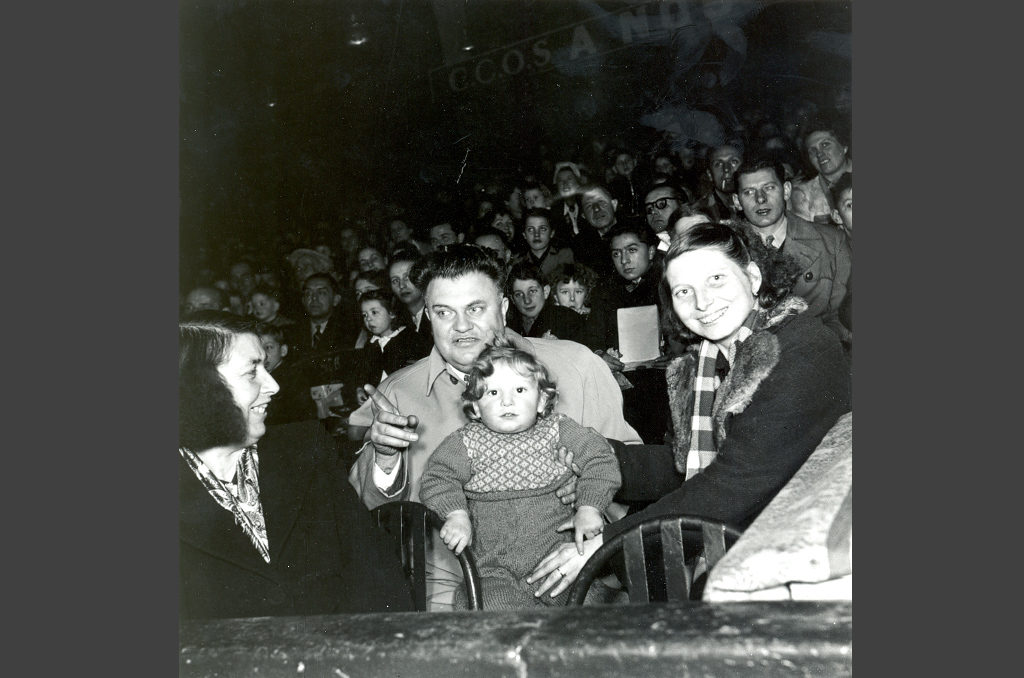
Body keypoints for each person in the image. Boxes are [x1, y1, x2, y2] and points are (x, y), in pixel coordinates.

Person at [527, 222, 851, 599]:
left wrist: (608, 544)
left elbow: (738, 479)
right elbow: (687, 464)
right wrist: (596, 458)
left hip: (795, 561)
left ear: (753, 276)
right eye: (684, 291)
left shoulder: (801, 346)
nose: (702, 302)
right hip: (757, 535)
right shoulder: (709, 362)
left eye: (716, 279)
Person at [345, 244, 640, 609]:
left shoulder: (577, 366)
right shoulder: (398, 394)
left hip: (575, 575)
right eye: (443, 312)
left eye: (475, 308)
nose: (461, 327)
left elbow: (634, 483)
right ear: (427, 317)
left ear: (503, 308)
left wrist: (589, 493)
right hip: (449, 593)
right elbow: (367, 517)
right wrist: (385, 461)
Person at [178, 311, 413, 618]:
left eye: (266, 365)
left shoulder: (305, 450)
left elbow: (373, 570)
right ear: (199, 388)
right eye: (252, 372)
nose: (273, 385)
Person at [420, 339, 621, 609]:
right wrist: (456, 514)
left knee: (592, 609)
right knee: (492, 609)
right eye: (492, 393)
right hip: (493, 571)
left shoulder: (558, 429)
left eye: (519, 389)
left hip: (556, 562)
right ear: (476, 407)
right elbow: (438, 476)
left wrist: (589, 507)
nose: (506, 401)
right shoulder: (465, 442)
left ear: (542, 400)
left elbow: (601, 457)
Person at [732, 155, 852, 346]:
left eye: (769, 188)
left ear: (786, 190)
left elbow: (843, 316)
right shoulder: (726, 252)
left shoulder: (831, 241)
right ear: (737, 201)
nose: (761, 199)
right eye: (749, 192)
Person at [505, 259, 585, 342]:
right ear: (512, 299)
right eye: (519, 294)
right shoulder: (509, 326)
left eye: (532, 291)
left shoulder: (567, 320)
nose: (527, 300)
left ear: (546, 291)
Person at [789, 123, 852, 225]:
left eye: (825, 145)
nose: (819, 154)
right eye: (812, 150)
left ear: (844, 146)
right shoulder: (803, 194)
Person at [256, 323, 317, 426]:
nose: (263, 354)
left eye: (269, 347)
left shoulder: (293, 379)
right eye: (258, 348)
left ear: (283, 351)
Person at [517, 207, 575, 279]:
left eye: (542, 229)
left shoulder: (564, 256)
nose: (536, 234)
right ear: (524, 235)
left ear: (552, 233)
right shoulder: (518, 261)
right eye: (531, 229)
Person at [694, 142, 743, 222]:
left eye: (734, 162)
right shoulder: (701, 214)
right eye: (718, 164)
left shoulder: (758, 199)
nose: (726, 169)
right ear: (709, 174)